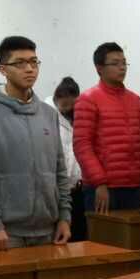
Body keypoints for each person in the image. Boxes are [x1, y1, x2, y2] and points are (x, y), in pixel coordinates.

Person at [0, 36, 72, 251]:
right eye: (20, 63)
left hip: (49, 229)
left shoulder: (48, 114)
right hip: (7, 231)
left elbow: (60, 170)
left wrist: (65, 216)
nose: (29, 69)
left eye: (34, 62)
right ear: (3, 70)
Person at [73, 42, 140, 214]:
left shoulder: (135, 100)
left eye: (124, 63)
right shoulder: (88, 99)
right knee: (103, 232)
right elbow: (82, 145)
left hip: (134, 187)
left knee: (134, 232)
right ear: (99, 68)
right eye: (115, 63)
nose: (122, 67)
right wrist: (99, 182)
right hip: (103, 189)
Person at [53, 77, 87, 241]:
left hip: (80, 187)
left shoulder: (82, 118)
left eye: (72, 102)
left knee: (80, 234)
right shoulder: (51, 119)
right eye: (63, 101)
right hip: (59, 187)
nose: (68, 107)